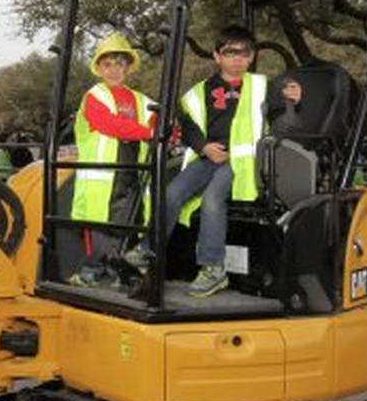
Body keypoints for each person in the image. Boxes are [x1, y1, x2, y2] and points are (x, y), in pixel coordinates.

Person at [127, 24, 301, 297]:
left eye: (244, 53)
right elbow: (187, 124)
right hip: (209, 156)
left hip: (241, 162)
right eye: (230, 52)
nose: (238, 58)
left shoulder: (262, 86)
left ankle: (213, 268)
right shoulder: (201, 91)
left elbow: (283, 113)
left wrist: (293, 99)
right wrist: (204, 147)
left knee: (211, 199)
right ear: (217, 56)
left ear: (252, 57)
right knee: (171, 193)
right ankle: (148, 249)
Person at [69, 33, 156, 286]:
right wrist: (149, 132)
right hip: (101, 176)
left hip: (131, 171)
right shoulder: (95, 96)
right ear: (98, 68)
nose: (114, 70)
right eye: (107, 64)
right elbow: (110, 124)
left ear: (128, 67)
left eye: (119, 64)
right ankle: (90, 271)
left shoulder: (141, 100)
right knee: (99, 224)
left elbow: (162, 122)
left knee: (127, 222)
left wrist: (166, 129)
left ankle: (119, 271)